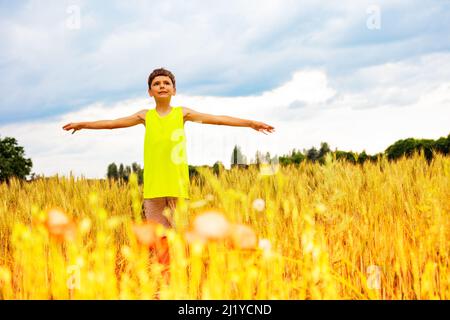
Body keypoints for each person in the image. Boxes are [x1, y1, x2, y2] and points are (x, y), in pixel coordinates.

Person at [63, 67, 275, 228]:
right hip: (154, 186)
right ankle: (161, 281)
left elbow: (217, 119)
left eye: (166, 83)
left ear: (174, 90)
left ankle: (181, 278)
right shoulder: (144, 116)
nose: (162, 86)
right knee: (157, 237)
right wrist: (83, 124)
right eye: (157, 83)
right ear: (150, 91)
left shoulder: (182, 113)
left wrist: (251, 123)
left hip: (177, 184)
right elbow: (111, 124)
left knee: (179, 234)